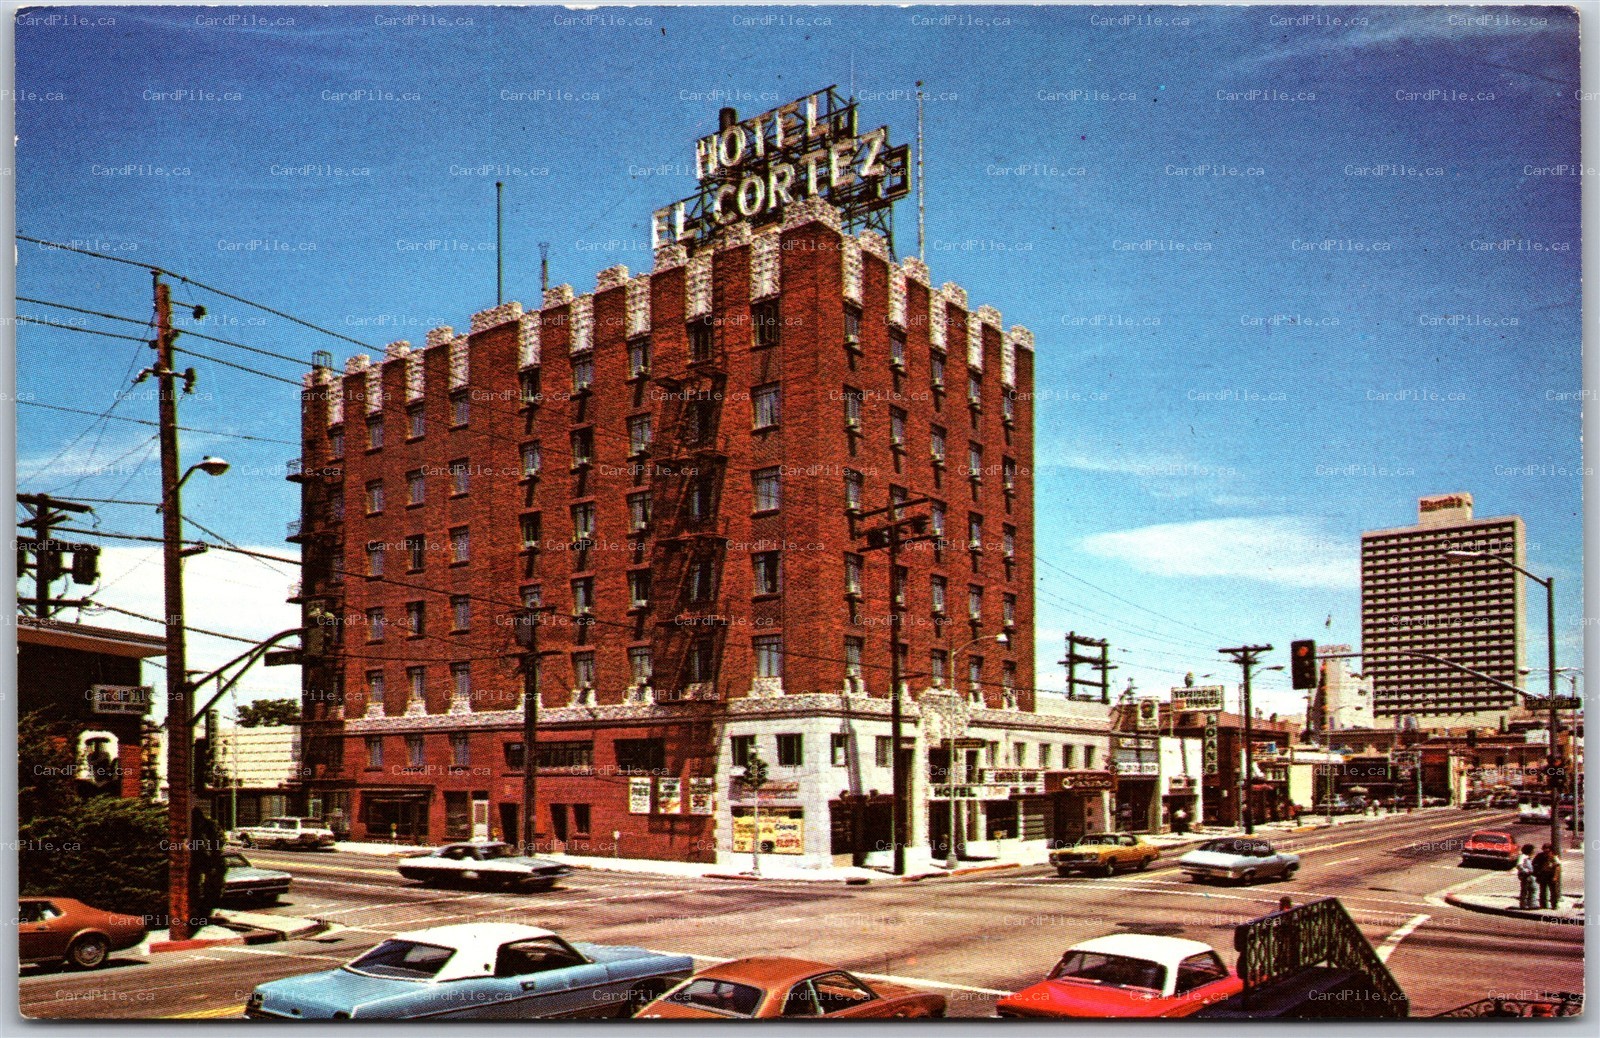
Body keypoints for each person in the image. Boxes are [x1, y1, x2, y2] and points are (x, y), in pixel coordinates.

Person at [1532, 844, 1562, 910]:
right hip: (1543, 875)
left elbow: (1558, 867)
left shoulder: (1554, 857)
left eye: (1547, 849)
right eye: (1544, 849)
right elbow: (1534, 864)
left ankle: (1554, 905)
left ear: (1550, 850)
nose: (1546, 850)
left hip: (1551, 875)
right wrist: (1537, 873)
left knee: (1553, 891)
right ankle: (1543, 904)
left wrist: (1555, 877)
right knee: (1543, 890)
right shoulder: (1539, 856)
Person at [1514, 843, 1537, 910]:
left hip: (1531, 876)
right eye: (1533, 850)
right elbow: (1519, 865)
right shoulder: (1523, 856)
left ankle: (1531, 904)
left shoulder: (1529, 857)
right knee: (1525, 890)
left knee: (1533, 889)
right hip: (1525, 876)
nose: (1534, 851)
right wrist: (1525, 871)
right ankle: (1523, 905)